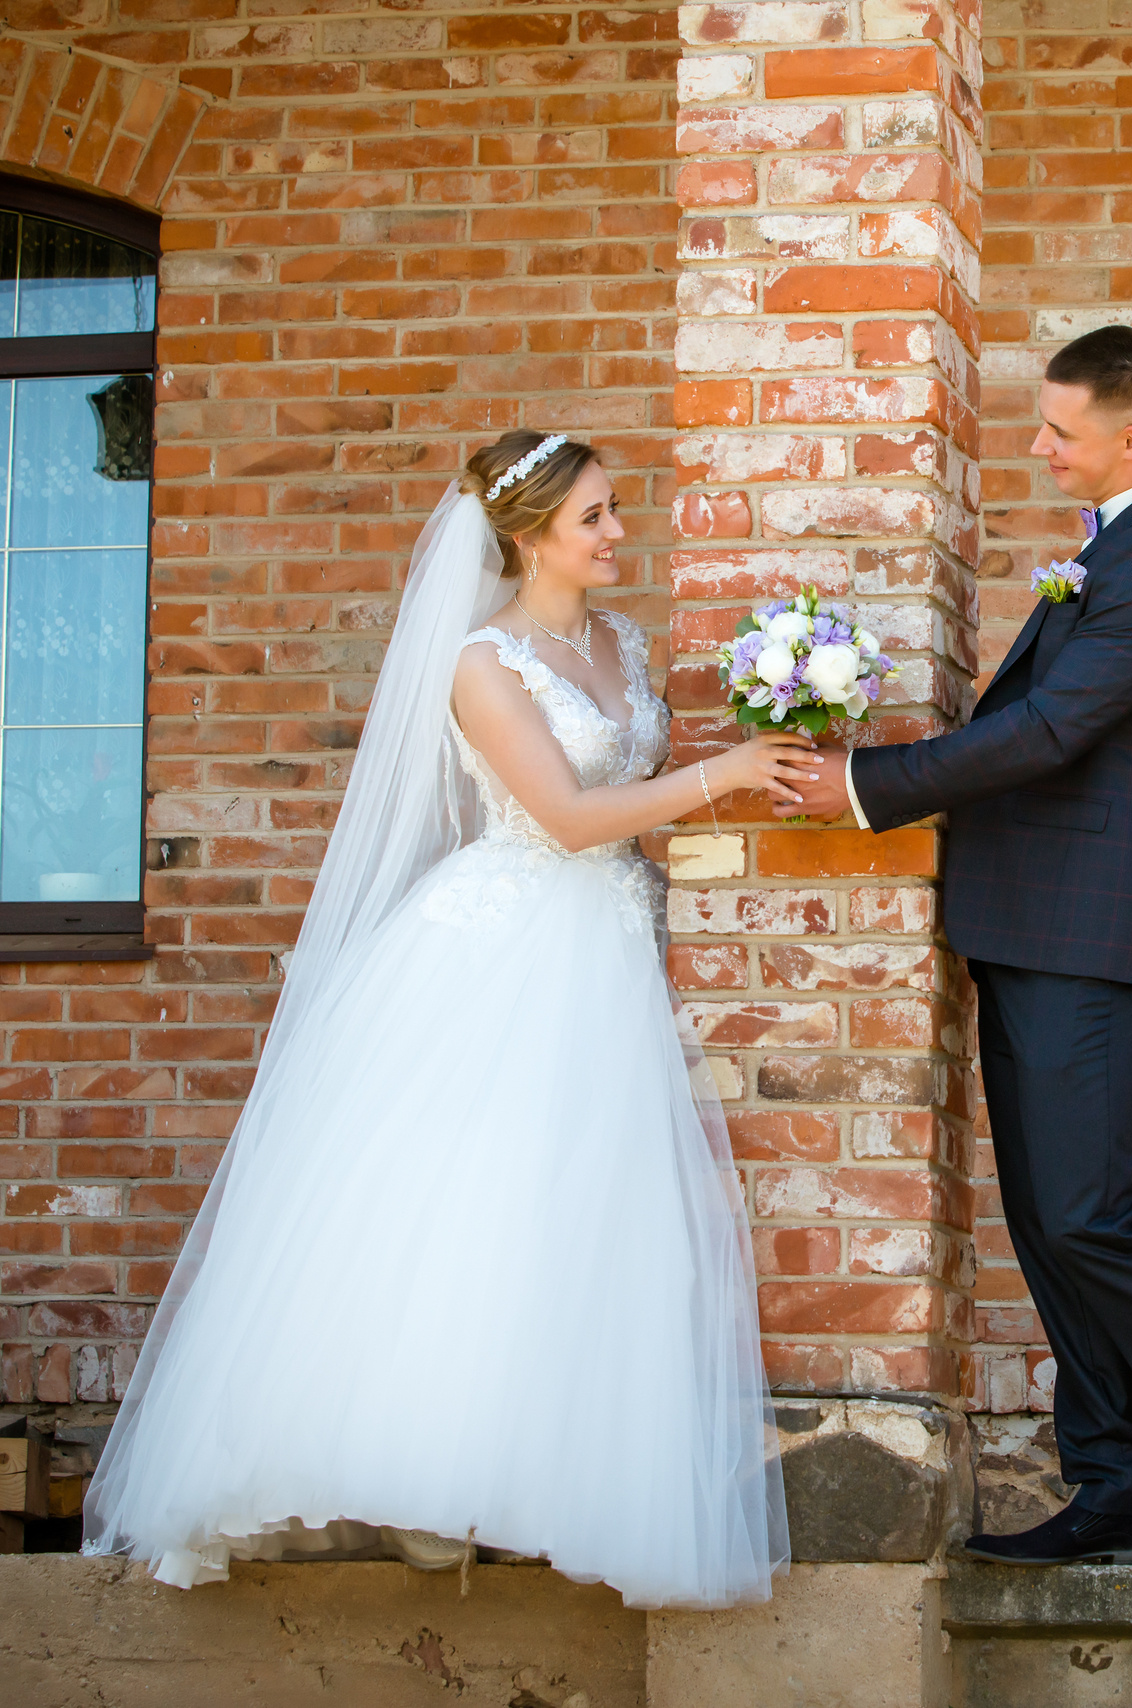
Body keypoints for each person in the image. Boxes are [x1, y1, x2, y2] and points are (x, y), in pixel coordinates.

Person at [82, 431, 809, 1604]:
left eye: (615, 510)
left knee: (578, 1215)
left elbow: (631, 796)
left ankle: (524, 1482)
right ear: (526, 536)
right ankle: (415, 1478)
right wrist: (723, 777)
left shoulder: (620, 643)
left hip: (608, 952)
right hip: (508, 949)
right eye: (595, 518)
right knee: (473, 1207)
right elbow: (570, 816)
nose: (618, 533)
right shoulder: (483, 663)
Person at [782, 326, 1132, 1577]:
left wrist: (869, 783)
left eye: (1059, 431)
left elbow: (1051, 730)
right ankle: (1112, 1490)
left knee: (1090, 1213)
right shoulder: (1121, 553)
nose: (1039, 447)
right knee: (1048, 1220)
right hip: (1040, 924)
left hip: (1097, 937)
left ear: (1131, 439)